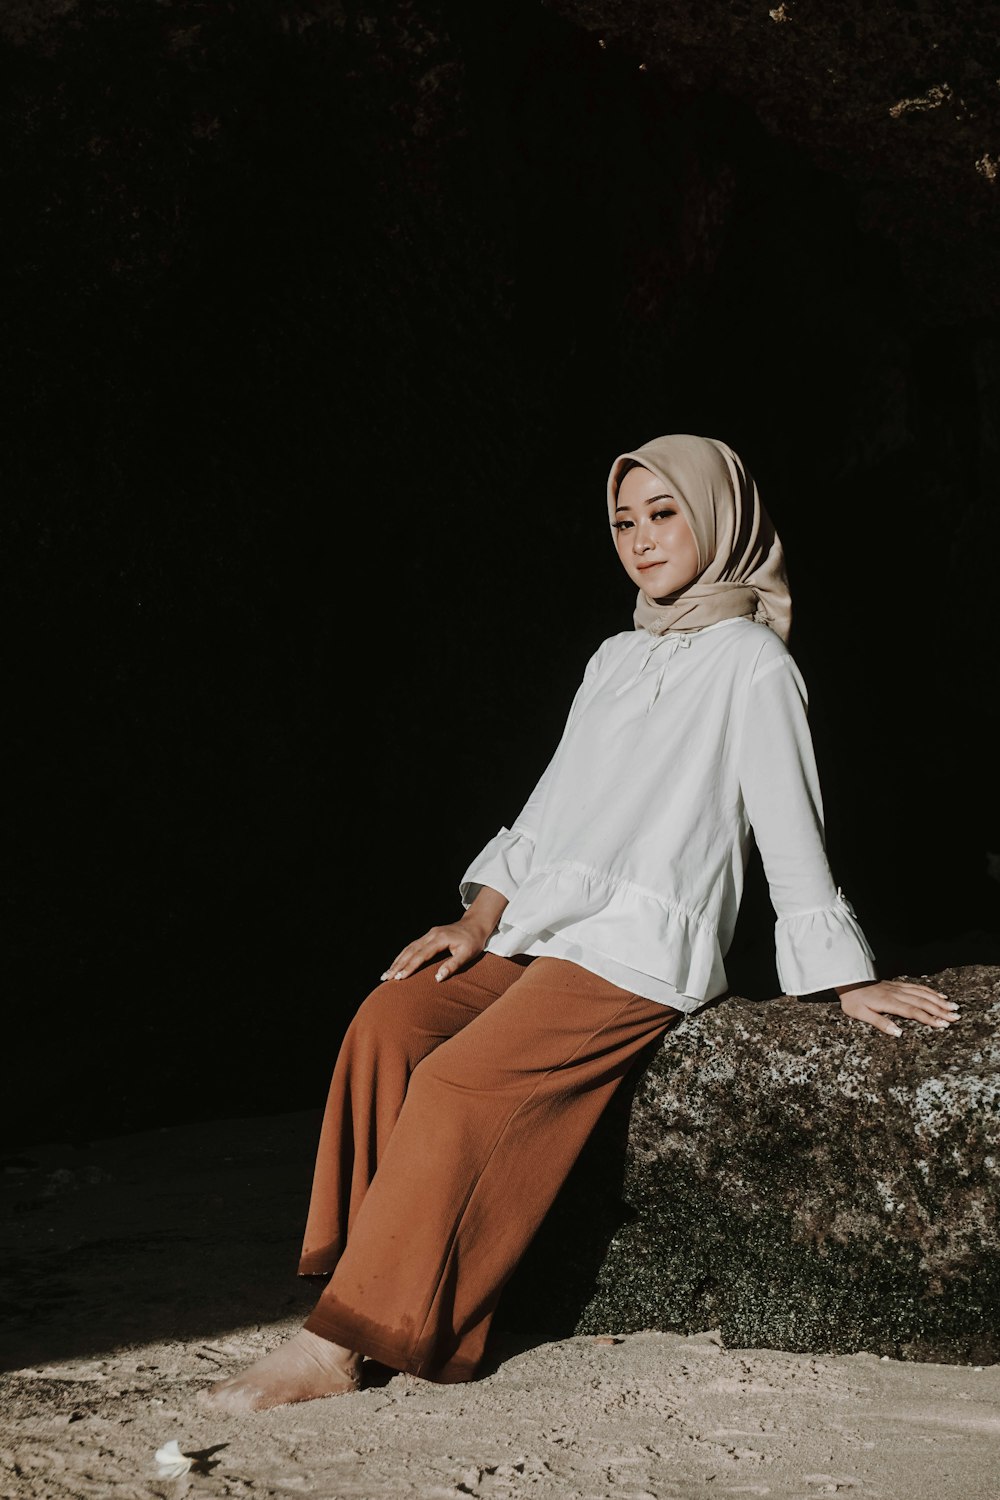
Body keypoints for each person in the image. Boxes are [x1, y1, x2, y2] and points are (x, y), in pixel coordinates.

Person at [199, 432, 957, 1414]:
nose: (640, 540)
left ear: (719, 514)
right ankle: (363, 1285)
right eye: (623, 521)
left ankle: (341, 1345)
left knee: (460, 1082)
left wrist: (839, 973)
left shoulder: (752, 662)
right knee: (389, 1021)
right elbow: (550, 807)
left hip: (638, 950)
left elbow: (786, 817)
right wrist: (476, 920)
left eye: (664, 513)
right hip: (547, 928)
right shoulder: (613, 657)